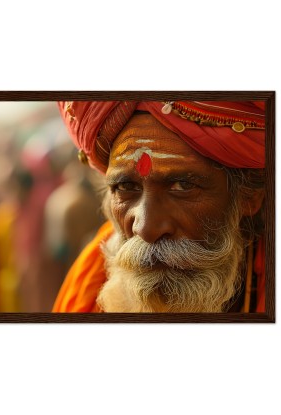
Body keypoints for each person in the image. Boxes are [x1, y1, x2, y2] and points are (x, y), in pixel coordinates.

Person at [52, 100, 266, 313]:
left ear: (249, 197)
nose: (146, 229)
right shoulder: (87, 286)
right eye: (126, 186)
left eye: (182, 186)